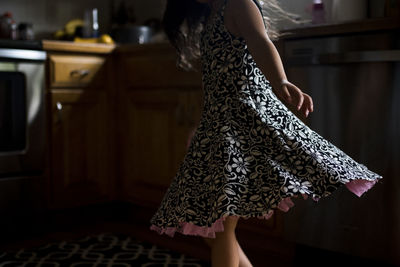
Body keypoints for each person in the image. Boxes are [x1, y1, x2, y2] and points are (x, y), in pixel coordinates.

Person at [149, 0, 383, 266]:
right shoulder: (212, 16)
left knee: (223, 229)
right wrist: (204, 125)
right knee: (212, 230)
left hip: (244, 125)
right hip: (219, 127)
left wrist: (280, 80)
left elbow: (260, 40)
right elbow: (218, 81)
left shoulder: (238, 4)